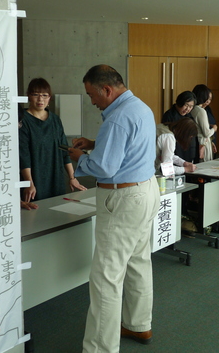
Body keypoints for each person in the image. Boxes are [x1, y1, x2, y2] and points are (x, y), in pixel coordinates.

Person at [68, 65, 160, 352]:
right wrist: (96, 143)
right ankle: (138, 325)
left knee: (106, 277)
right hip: (146, 191)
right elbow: (130, 146)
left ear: (106, 90)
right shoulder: (140, 108)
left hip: (122, 200)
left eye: (92, 95)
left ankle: (99, 348)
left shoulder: (117, 119)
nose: (92, 102)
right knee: (138, 262)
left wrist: (80, 157)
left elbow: (104, 168)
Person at [19, 78, 86, 202]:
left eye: (45, 95)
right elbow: (24, 156)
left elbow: (64, 149)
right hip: (34, 178)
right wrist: (29, 183)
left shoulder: (55, 119)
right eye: (35, 95)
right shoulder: (23, 120)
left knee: (57, 211)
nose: (40, 99)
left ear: (49, 98)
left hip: (55, 176)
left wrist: (72, 177)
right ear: (28, 96)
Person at [162, 91, 199, 162]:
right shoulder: (169, 115)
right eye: (186, 105)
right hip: (176, 151)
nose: (188, 109)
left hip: (188, 151)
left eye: (191, 107)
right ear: (180, 102)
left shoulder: (189, 116)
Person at [192, 84, 217, 161]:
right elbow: (206, 133)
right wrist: (214, 129)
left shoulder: (192, 108)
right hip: (203, 143)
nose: (208, 101)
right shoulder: (200, 111)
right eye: (208, 98)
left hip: (196, 143)